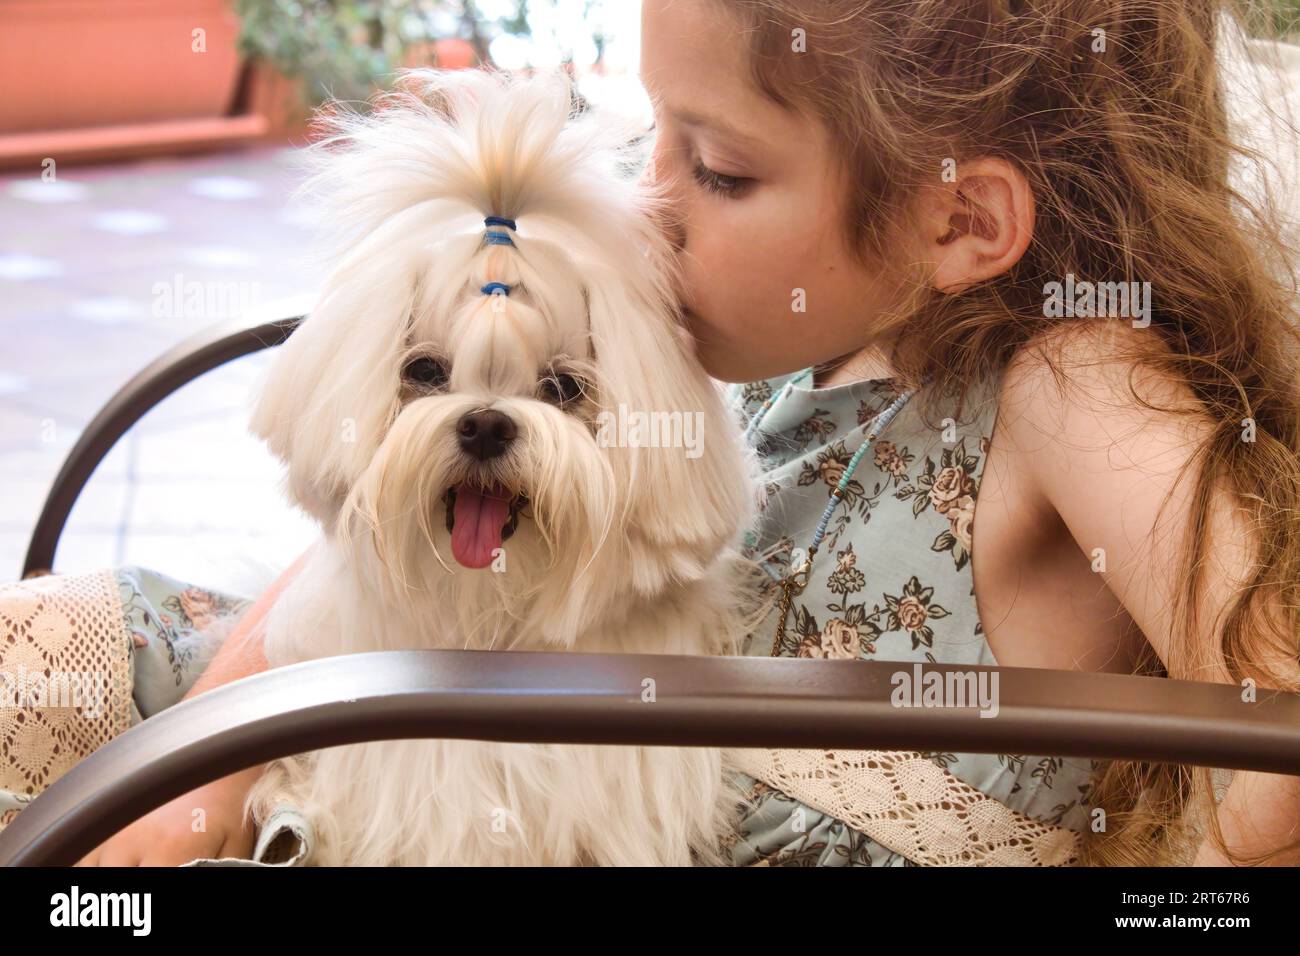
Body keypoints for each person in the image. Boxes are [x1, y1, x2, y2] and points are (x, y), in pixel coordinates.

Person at [81, 0, 1300, 866]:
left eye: (715, 168)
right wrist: (205, 781)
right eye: (651, 127)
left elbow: (1280, 718)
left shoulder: (1068, 376)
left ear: (961, 220)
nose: (648, 198)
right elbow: (362, 534)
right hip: (364, 705)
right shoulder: (787, 332)